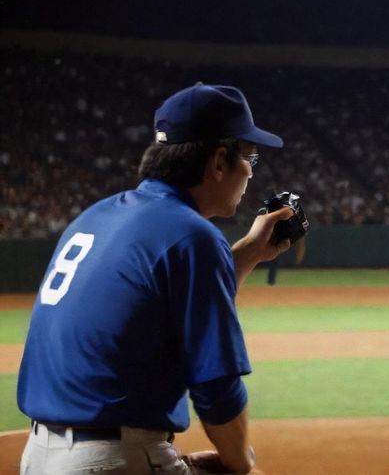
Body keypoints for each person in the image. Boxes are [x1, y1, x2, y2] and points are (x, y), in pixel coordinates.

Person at [16, 83, 294, 474]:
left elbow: (167, 300)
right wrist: (239, 462)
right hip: (112, 459)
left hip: (40, 456)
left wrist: (250, 250)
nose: (250, 170)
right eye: (249, 156)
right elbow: (217, 389)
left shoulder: (97, 215)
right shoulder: (192, 236)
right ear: (219, 161)